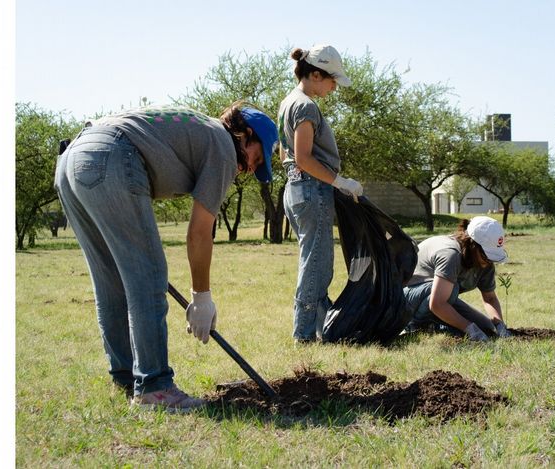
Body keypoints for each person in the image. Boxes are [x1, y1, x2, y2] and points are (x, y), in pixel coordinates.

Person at [54, 102, 278, 412]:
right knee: (148, 277)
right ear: (246, 135)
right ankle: (154, 388)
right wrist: (201, 297)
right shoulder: (224, 146)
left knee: (112, 282)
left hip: (72, 160)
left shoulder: (202, 130)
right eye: (258, 156)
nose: (253, 168)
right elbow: (200, 232)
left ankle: (127, 378)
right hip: (109, 155)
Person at [278, 44, 364, 343]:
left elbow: (284, 155)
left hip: (296, 188)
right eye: (332, 81)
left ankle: (321, 328)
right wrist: (339, 181)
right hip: (311, 189)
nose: (334, 88)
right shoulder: (305, 106)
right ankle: (303, 334)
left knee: (315, 260)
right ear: (316, 75)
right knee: (316, 262)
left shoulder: (288, 102)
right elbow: (303, 157)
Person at [401, 216, 513, 341]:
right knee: (453, 290)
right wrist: (470, 329)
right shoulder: (451, 254)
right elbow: (437, 304)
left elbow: (490, 298)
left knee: (487, 327)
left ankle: (437, 326)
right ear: (473, 244)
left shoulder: (485, 263)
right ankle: (415, 325)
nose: (489, 262)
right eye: (486, 256)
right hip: (404, 301)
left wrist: (500, 325)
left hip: (438, 298)